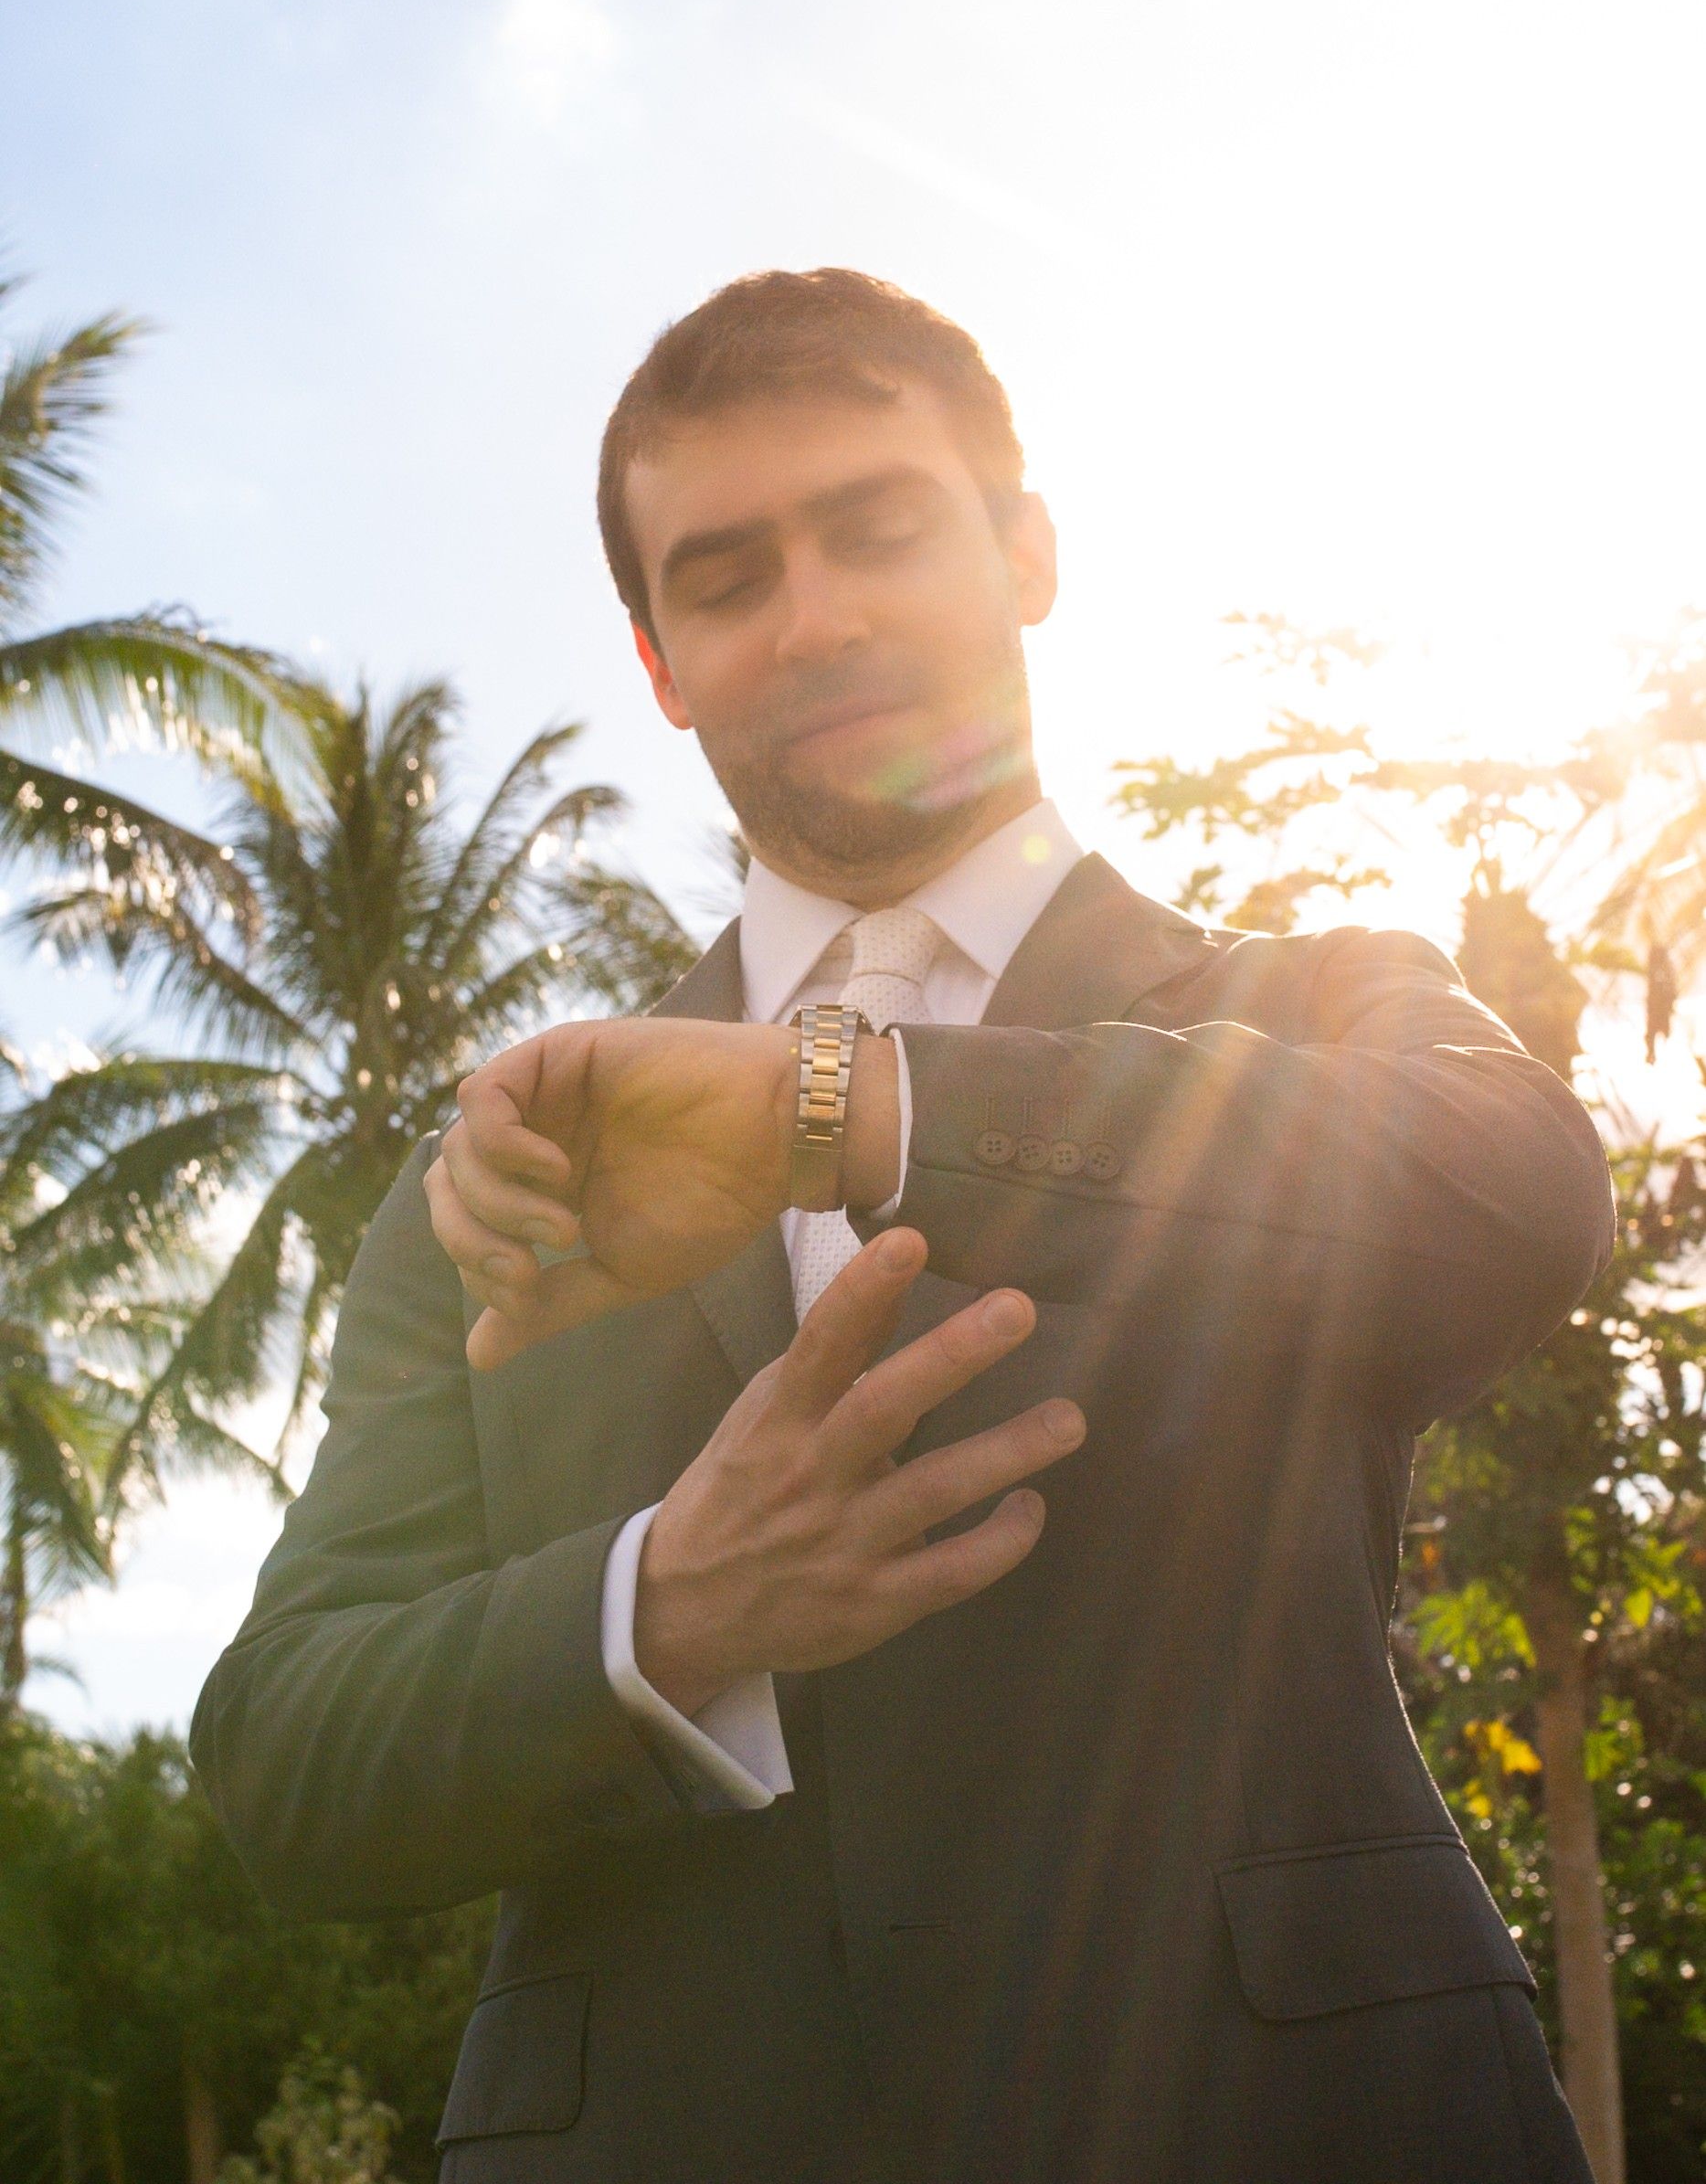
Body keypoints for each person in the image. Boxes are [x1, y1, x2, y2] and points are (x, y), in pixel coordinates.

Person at [193, 270, 1614, 2183]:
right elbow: (284, 1754)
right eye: (725, 574)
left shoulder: (1314, 1002)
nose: (819, 613)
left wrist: (851, 1106)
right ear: (661, 662)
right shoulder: (504, 1174)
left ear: (1026, 551)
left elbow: (1512, 1193)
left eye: (877, 527)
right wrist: (662, 1604)